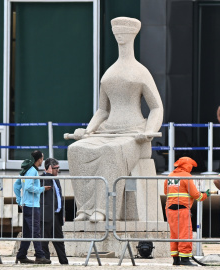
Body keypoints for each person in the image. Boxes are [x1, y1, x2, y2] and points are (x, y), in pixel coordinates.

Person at [68, 17, 163, 222]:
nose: (120, 35)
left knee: (111, 152)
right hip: (108, 131)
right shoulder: (109, 73)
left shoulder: (141, 72)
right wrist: (88, 130)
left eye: (124, 32)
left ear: (132, 36)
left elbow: (156, 107)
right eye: (117, 32)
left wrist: (148, 132)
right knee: (76, 150)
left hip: (133, 135)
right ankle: (85, 208)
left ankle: (103, 210)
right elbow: (102, 110)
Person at [164, 157, 209, 266]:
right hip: (182, 209)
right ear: (187, 165)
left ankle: (176, 259)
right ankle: (185, 259)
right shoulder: (186, 176)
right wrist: (205, 195)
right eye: (191, 167)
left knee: (174, 234)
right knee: (185, 234)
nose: (191, 169)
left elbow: (166, 192)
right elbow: (195, 195)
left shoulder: (170, 176)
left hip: (169, 209)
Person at [13, 150, 52, 264]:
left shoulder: (26, 170)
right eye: (42, 158)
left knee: (27, 233)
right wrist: (42, 189)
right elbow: (28, 187)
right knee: (35, 231)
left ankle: (21, 255)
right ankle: (39, 255)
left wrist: (20, 201)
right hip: (32, 206)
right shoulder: (33, 171)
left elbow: (16, 186)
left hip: (26, 205)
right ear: (39, 159)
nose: (42, 160)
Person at [40, 158, 68, 265]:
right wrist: (48, 174)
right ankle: (46, 260)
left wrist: (63, 213)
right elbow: (45, 186)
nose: (58, 171)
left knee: (59, 240)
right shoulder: (42, 178)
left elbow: (59, 197)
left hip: (56, 215)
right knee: (44, 240)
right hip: (46, 215)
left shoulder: (56, 179)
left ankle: (64, 262)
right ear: (50, 168)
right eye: (56, 169)